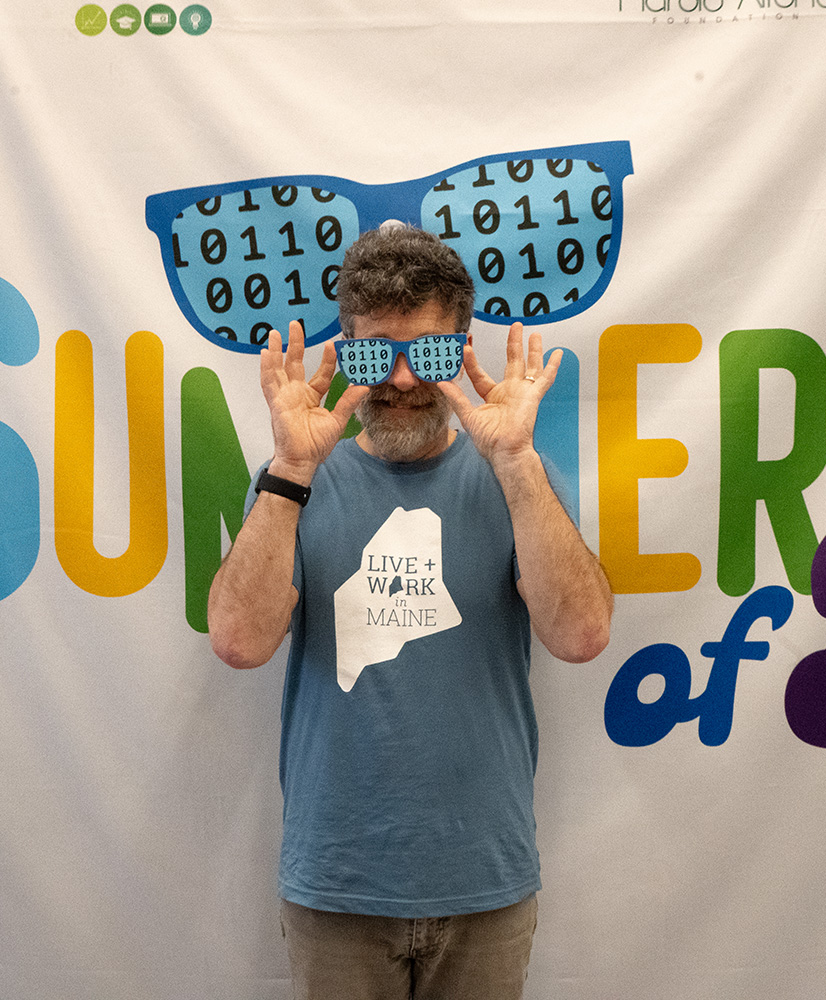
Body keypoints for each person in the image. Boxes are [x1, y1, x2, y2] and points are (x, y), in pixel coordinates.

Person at [207, 226, 613, 1000]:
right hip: (337, 880)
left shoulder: (518, 477)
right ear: (346, 354)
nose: (396, 380)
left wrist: (519, 463)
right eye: (371, 355)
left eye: (426, 355)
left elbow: (582, 636)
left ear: (461, 353)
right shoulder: (294, 481)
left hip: (486, 879)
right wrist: (292, 468)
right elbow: (237, 641)